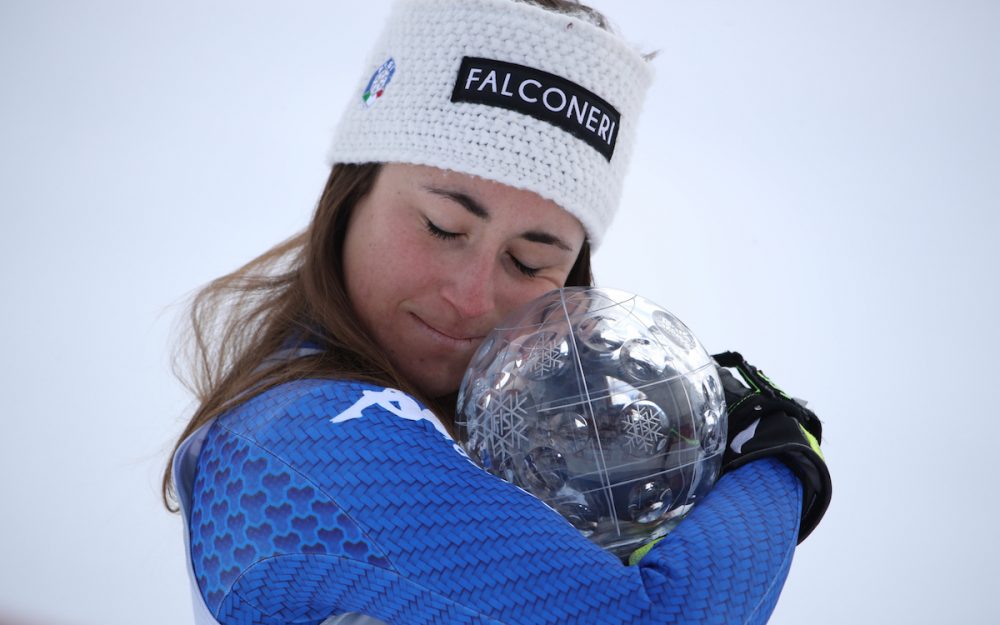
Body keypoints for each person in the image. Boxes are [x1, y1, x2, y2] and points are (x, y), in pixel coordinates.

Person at [163, 1, 831, 623]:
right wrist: (776, 448)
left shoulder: (493, 437)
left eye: (528, 261)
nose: (472, 297)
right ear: (352, 191)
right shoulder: (308, 435)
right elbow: (655, 615)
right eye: (443, 226)